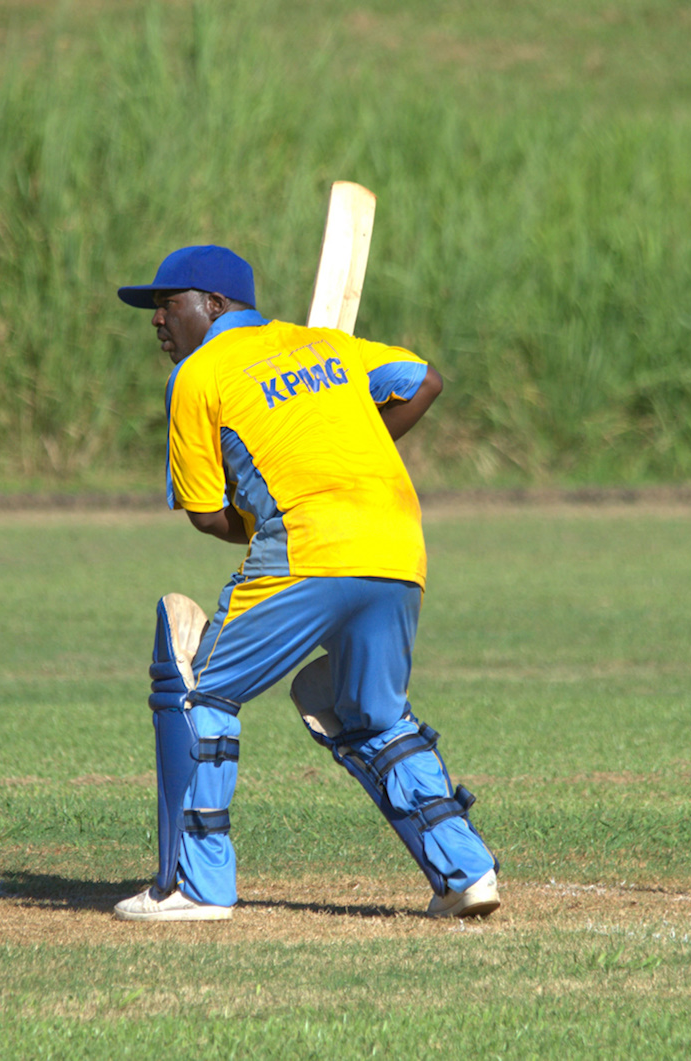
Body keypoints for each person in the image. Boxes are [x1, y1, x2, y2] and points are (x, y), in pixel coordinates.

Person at [112, 245, 498, 922]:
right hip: (397, 546)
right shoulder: (328, 345)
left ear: (216, 305)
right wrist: (347, 452)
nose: (157, 321)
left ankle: (196, 886)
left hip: (305, 550)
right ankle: (465, 871)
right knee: (364, 712)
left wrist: (274, 504)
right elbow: (424, 380)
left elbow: (207, 515)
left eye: (169, 304)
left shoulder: (199, 375)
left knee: (200, 686)